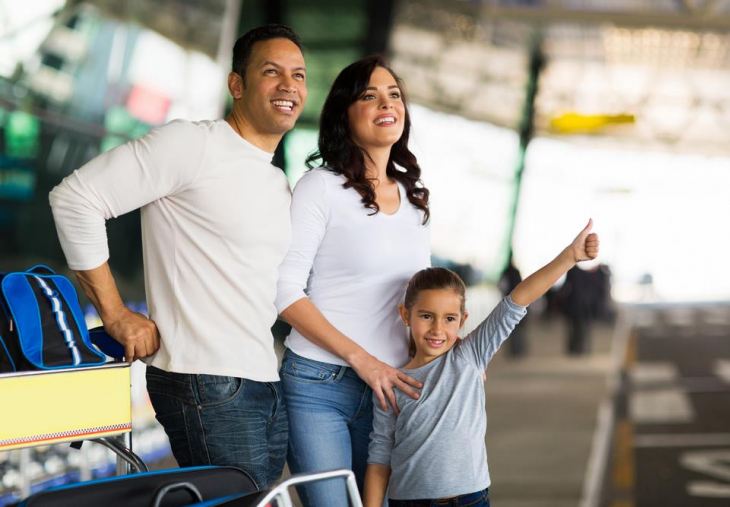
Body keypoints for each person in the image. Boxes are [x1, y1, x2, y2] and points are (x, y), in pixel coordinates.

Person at [49, 24, 307, 489]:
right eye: (272, 71)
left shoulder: (275, 182)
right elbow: (76, 199)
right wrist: (114, 314)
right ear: (237, 85)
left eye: (299, 75)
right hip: (204, 379)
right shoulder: (194, 144)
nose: (289, 85)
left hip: (262, 378)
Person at [274, 55, 430, 505]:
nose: (388, 103)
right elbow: (284, 291)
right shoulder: (319, 187)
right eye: (370, 95)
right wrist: (361, 360)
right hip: (319, 385)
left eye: (394, 94)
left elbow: (420, 299)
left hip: (393, 387)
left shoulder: (415, 199)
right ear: (345, 112)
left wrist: (451, 346)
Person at [364, 220, 600, 506]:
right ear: (405, 315)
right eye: (426, 316)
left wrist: (570, 257)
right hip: (408, 502)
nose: (438, 328)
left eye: (449, 319)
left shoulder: (470, 355)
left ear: (462, 321)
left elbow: (517, 301)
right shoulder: (392, 381)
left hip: (470, 500)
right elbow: (379, 456)